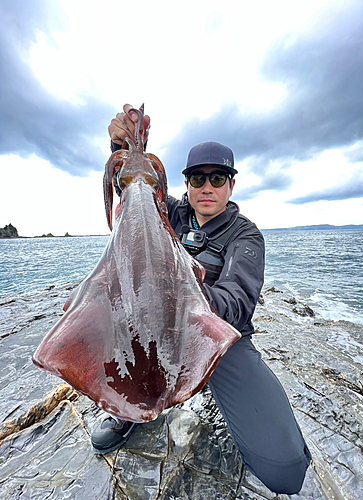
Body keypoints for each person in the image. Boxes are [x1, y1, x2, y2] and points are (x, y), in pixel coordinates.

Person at [91, 104, 312, 495]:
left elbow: (236, 303)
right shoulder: (170, 213)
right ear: (187, 184)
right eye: (197, 178)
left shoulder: (246, 236)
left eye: (217, 177)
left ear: (231, 185)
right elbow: (137, 190)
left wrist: (179, 293)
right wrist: (121, 144)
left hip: (218, 341)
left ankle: (204, 384)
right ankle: (132, 407)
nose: (206, 186)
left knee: (285, 469)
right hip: (151, 333)